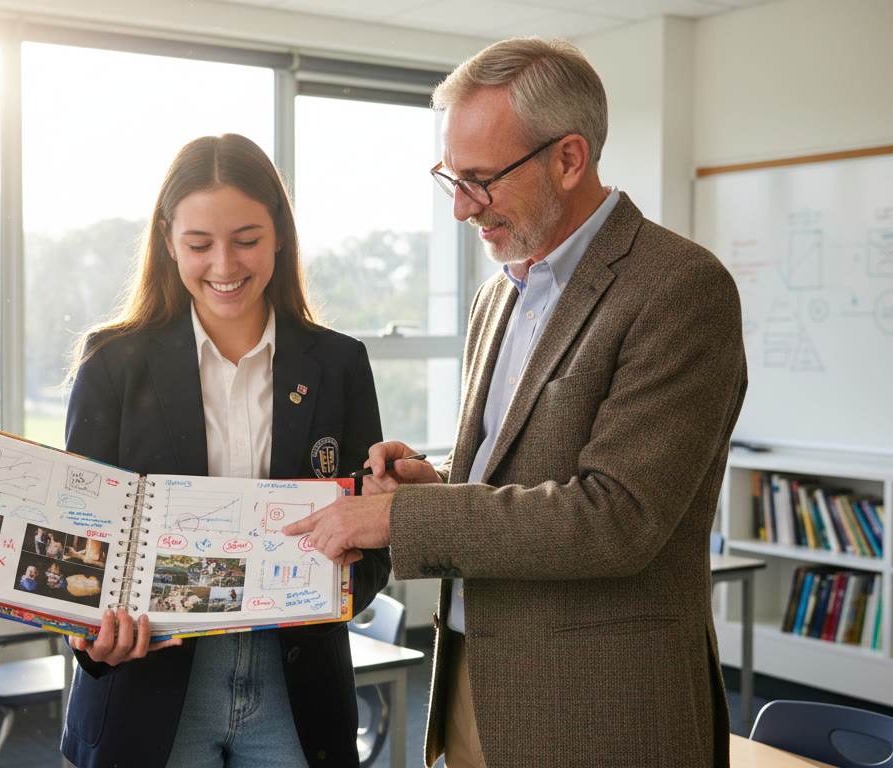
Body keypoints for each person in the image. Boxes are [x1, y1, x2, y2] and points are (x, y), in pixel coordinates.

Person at [283, 38, 747, 768]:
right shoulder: (498, 293)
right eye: (450, 178)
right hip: (476, 681)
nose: (463, 207)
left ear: (569, 158)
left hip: (603, 711)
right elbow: (516, 477)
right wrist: (435, 483)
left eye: (481, 180)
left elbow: (615, 519)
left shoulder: (679, 289)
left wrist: (400, 517)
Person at [61, 133, 389, 768]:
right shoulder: (113, 363)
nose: (224, 264)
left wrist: (353, 561)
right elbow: (79, 536)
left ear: (279, 236)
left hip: (297, 692)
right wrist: (88, 634)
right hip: (152, 689)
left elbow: (372, 541)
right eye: (199, 244)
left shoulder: (342, 365)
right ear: (166, 241)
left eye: (246, 239)